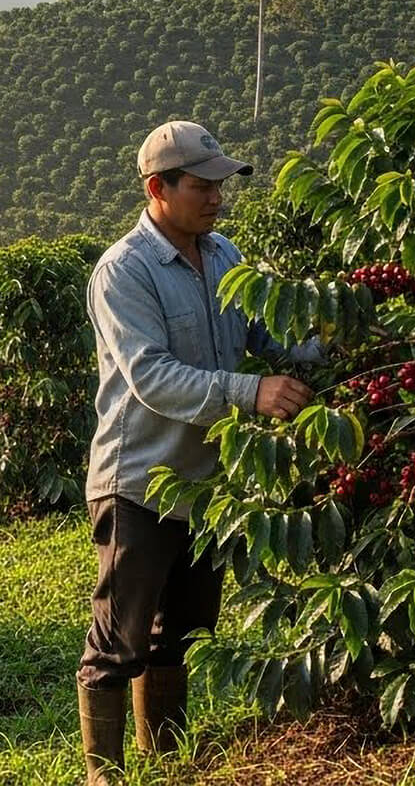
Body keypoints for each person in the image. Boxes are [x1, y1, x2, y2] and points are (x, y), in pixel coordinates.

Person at [76, 120, 315, 783]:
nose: (216, 198)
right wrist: (250, 391)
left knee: (182, 628)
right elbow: (150, 378)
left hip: (207, 482)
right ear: (158, 188)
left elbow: (268, 335)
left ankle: (165, 757)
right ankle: (104, 774)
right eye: (201, 186)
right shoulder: (124, 271)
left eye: (219, 185)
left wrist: (337, 335)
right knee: (120, 637)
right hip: (138, 480)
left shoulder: (225, 256)